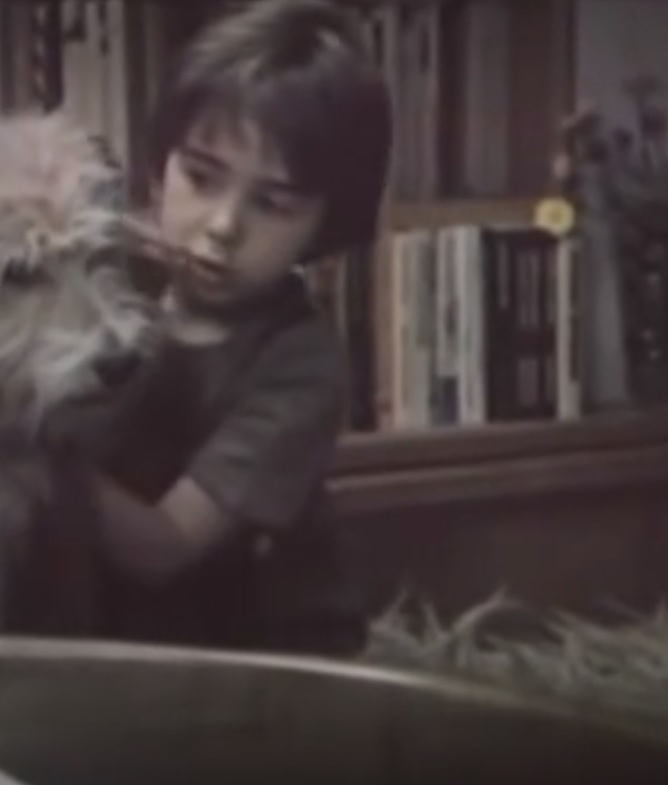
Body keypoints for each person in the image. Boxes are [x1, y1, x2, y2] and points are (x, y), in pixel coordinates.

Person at [22, 0, 393, 658]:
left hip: (260, 653)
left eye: (273, 204)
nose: (222, 226)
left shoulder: (300, 363)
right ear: (159, 167)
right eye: (200, 177)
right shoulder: (108, 275)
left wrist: (14, 444)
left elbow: (162, 548)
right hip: (110, 632)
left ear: (326, 225)